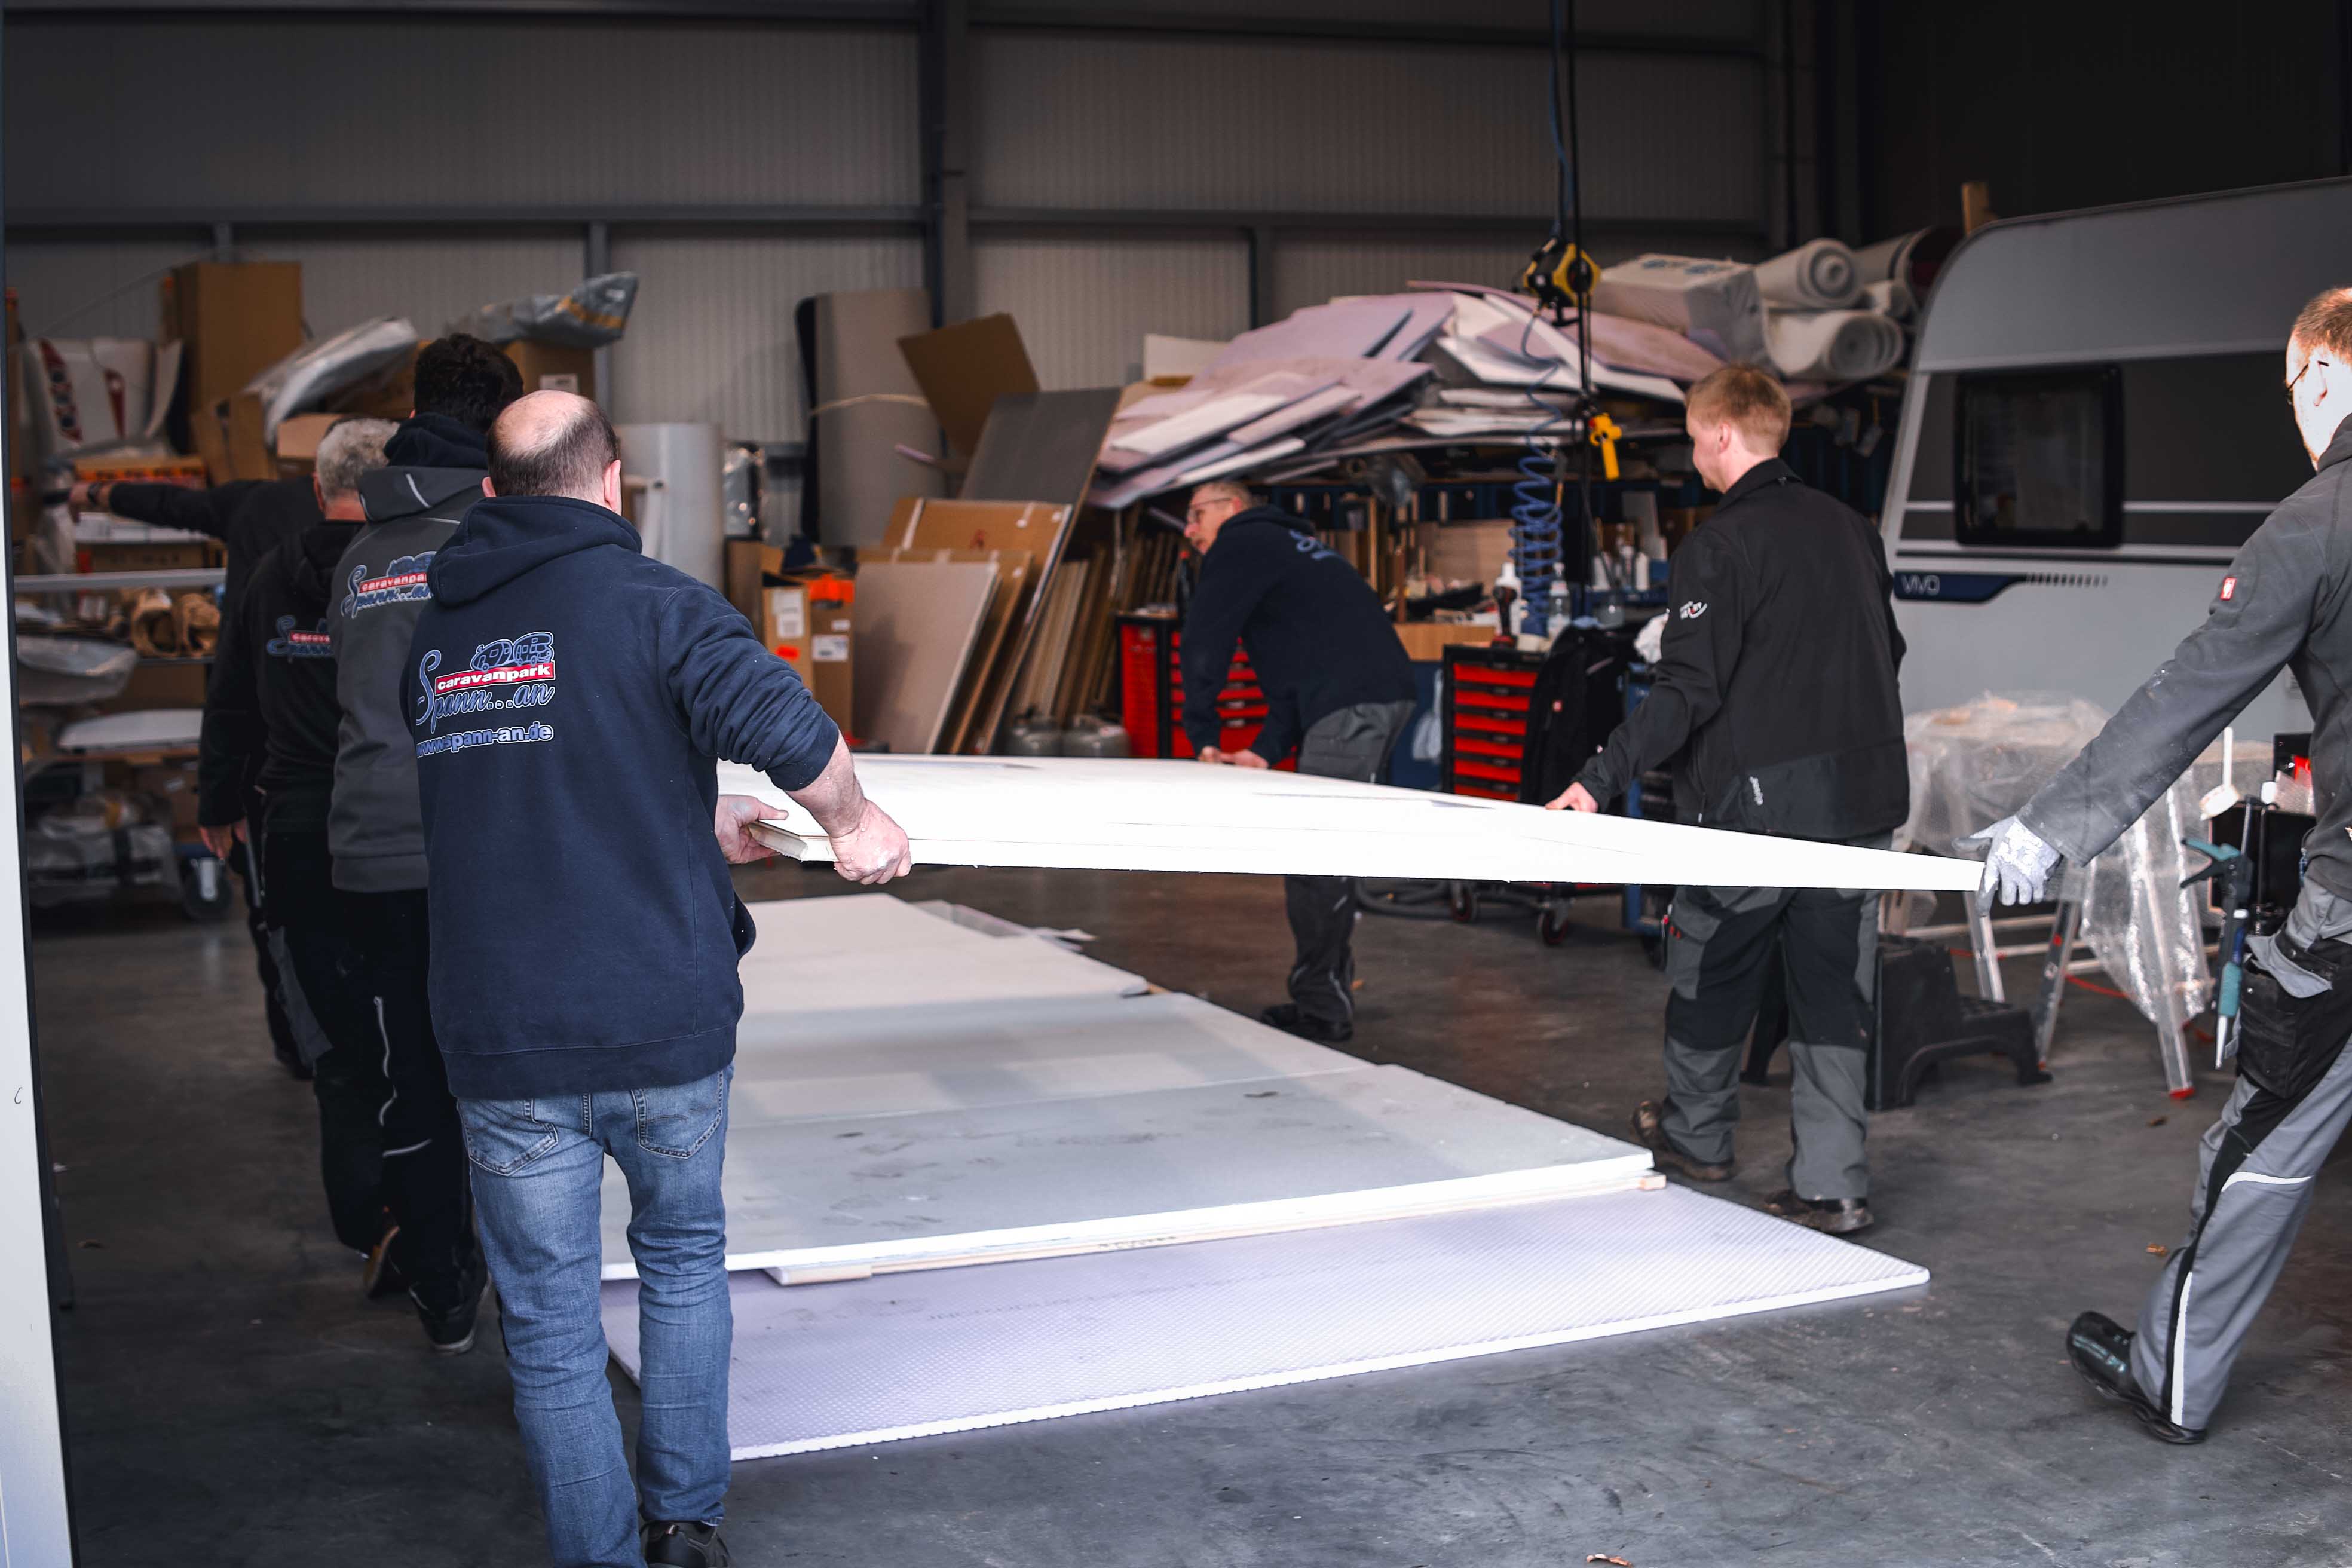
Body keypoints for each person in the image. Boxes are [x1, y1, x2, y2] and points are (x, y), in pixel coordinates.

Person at [411, 391, 911, 1568]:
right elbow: (792, 729)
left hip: (503, 1030)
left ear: (491, 494)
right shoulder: (654, 603)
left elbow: (536, 778)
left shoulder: (438, 635)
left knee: (548, 1319)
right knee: (682, 1263)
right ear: (613, 480)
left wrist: (698, 808)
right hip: (658, 1016)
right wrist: (855, 821)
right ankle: (684, 1527)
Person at [1976, 287, 2352, 1445]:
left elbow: (2188, 694)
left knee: (2261, 1147)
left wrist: (2054, 823)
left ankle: (2172, 1378)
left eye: (2292, 391)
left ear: (2324, 376)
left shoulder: (2318, 519)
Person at [1549, 363, 1908, 1236]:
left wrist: (1596, 779)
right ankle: (1834, 1185)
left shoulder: (1720, 545)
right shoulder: (1852, 528)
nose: (1692, 454)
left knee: (1710, 967)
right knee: (1834, 990)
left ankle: (1697, 1136)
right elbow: (1887, 651)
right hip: (1861, 803)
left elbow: (1686, 690)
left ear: (1719, 434)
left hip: (1758, 814)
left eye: (1691, 438)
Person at [324, 334, 522, 1346]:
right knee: (508, 1069)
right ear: (500, 426)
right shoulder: (492, 535)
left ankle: (441, 1287)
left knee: (414, 1068)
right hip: (470, 843)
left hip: (369, 845)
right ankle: (530, 1292)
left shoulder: (362, 550)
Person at [195, 418, 406, 1282]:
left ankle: (367, 1225)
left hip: (296, 833)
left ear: (318, 491)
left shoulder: (268, 577)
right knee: (419, 1036)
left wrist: (217, 801)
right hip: (398, 835)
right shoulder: (409, 573)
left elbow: (231, 696)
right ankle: (434, 1219)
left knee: (337, 1051)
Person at [74, 467, 324, 1076]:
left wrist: (97, 494)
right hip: (350, 746)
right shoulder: (392, 520)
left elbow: (174, 504)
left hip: (268, 755)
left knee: (275, 908)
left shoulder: (255, 502)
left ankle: (298, 1044)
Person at [1177, 479, 1417, 1045]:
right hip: (1378, 695)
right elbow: (1300, 670)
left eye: (1196, 514)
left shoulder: (1240, 542)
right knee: (1326, 850)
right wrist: (1265, 748)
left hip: (1351, 705)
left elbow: (1204, 640)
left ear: (1233, 509)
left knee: (1316, 854)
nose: (1189, 531)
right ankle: (1325, 989)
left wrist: (1202, 733)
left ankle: (1322, 1006)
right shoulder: (1289, 547)